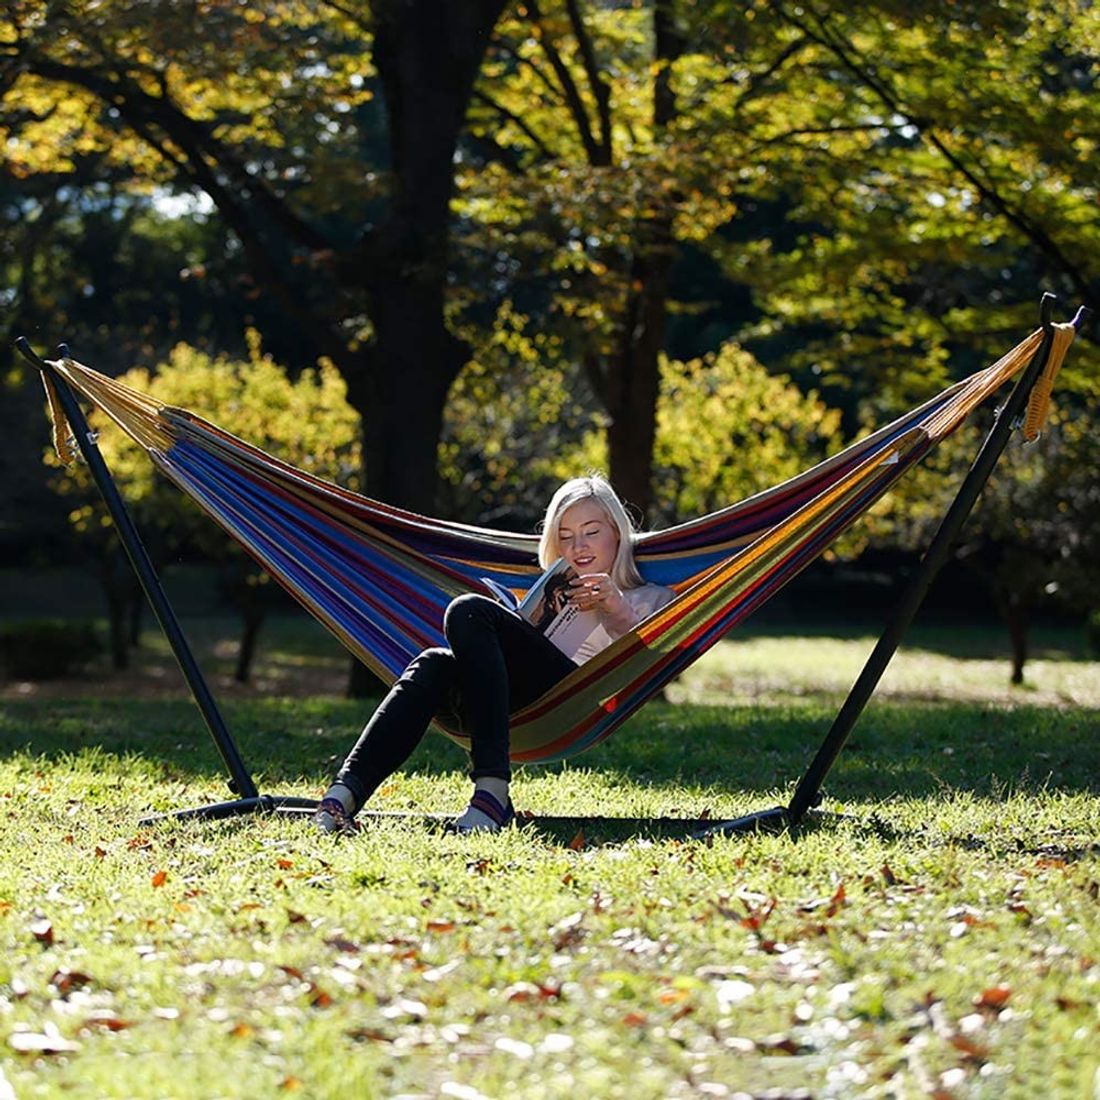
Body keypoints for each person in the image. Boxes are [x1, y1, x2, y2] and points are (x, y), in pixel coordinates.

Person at [313, 475, 675, 835]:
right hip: (511, 704)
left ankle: (491, 791)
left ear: (617, 531)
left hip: (574, 704)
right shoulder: (553, 591)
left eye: (591, 531)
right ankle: (343, 795)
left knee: (469, 609)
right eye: (565, 536)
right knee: (434, 663)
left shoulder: (653, 598)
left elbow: (649, 668)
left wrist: (618, 609)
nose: (579, 545)